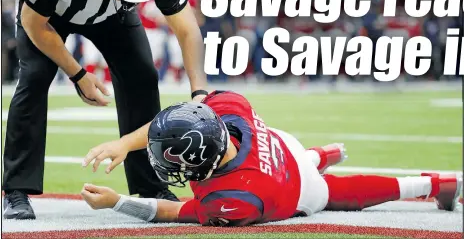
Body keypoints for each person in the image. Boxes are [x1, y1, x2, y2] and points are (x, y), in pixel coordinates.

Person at [2, 0, 208, 220]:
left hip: (112, 15)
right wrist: (78, 74)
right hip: (47, 16)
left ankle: (151, 187)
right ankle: (16, 189)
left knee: (142, 77)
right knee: (34, 78)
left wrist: (199, 91)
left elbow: (188, 29)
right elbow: (32, 23)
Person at [81, 91, 462, 226]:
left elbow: (172, 212)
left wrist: (118, 204)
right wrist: (125, 143)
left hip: (295, 186)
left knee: (338, 193)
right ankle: (320, 154)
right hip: (282, 145)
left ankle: (429, 185)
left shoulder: (231, 201)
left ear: (199, 161)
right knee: (302, 160)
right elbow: (186, 116)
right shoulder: (230, 110)